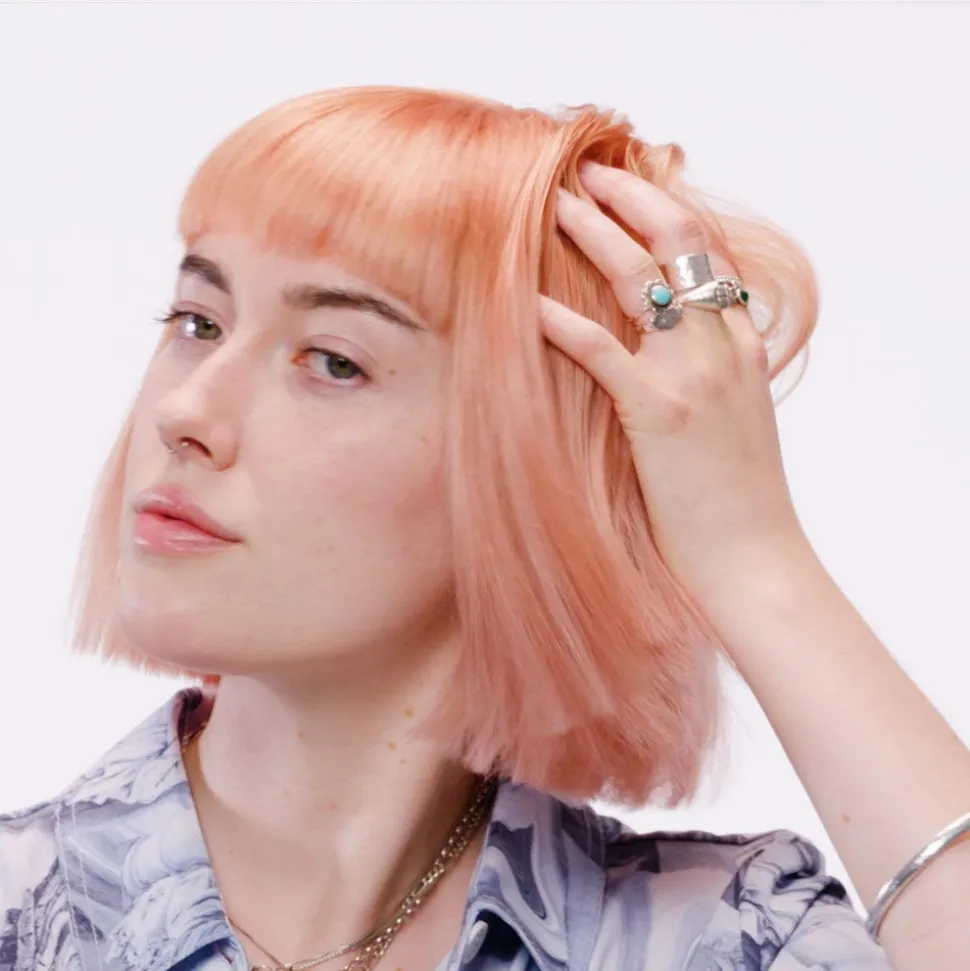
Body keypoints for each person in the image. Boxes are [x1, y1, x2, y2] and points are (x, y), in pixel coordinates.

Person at [0, 86, 966, 971]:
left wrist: (753, 554)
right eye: (198, 322)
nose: (185, 412)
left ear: (526, 469)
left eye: (332, 360)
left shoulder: (707, 939)